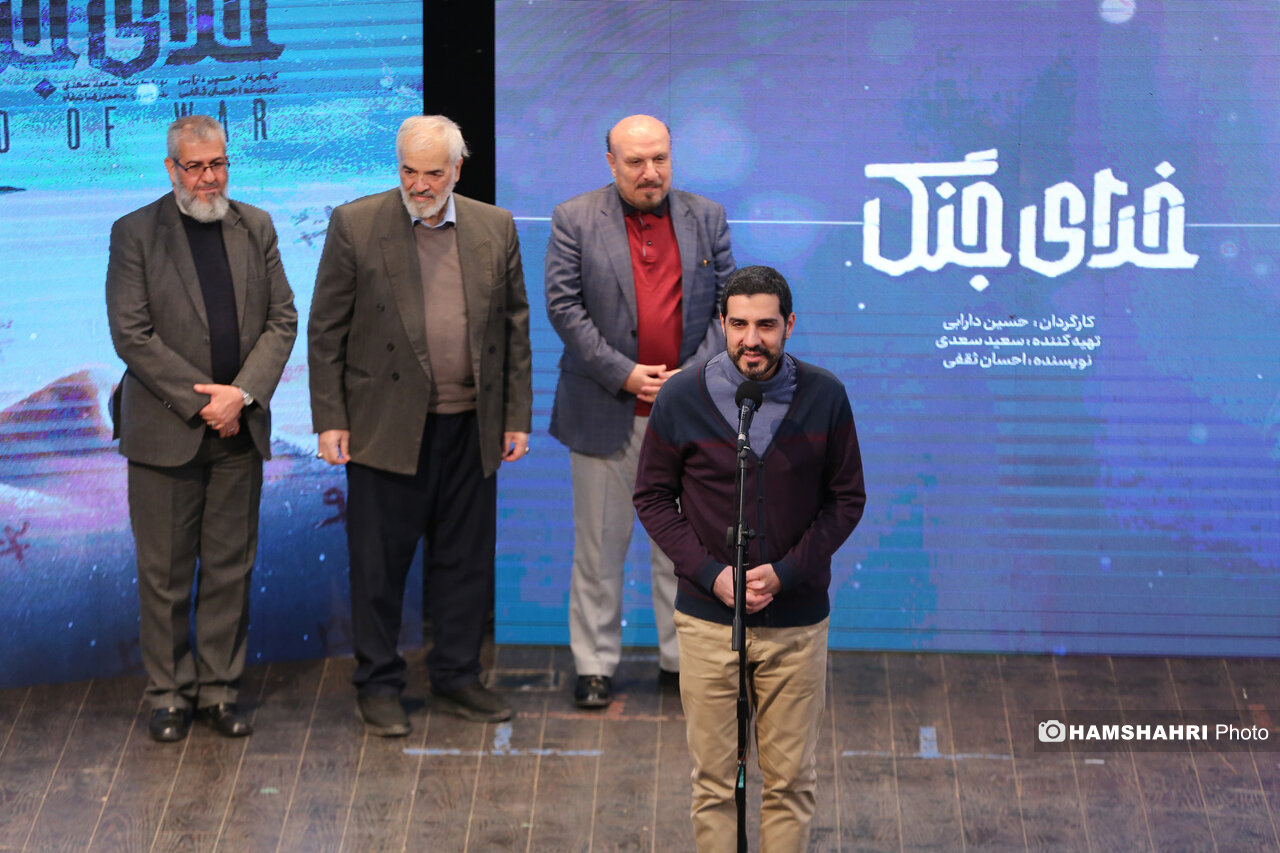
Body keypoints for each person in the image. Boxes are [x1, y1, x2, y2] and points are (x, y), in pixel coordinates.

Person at [308, 115, 532, 736]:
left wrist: (515, 416)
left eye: (433, 173)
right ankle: (379, 682)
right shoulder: (356, 223)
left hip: (472, 427)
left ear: (457, 170)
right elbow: (325, 329)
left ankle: (457, 675)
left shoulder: (495, 226)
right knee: (379, 567)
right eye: (409, 171)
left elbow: (514, 328)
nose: (420, 184)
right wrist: (330, 418)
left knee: (465, 562)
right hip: (384, 426)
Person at [633, 265, 866, 851]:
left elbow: (846, 500)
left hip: (796, 625)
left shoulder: (826, 397)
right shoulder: (681, 397)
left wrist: (786, 574)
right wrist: (711, 575)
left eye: (765, 325)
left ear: (790, 325)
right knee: (713, 783)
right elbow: (652, 497)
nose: (751, 340)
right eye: (738, 325)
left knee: (790, 782)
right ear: (722, 324)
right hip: (707, 623)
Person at [106, 115, 298, 742]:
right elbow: (131, 334)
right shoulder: (135, 232)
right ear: (171, 169)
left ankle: (219, 691)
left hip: (239, 431)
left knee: (228, 569)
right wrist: (205, 403)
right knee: (164, 577)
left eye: (217, 164)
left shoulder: (256, 226)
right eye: (195, 167)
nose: (208, 178)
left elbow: (282, 319)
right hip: (165, 435)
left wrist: (240, 395)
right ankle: (169, 695)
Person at [545, 114, 735, 709]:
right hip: (604, 410)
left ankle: (680, 663)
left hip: (688, 417)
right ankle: (594, 665)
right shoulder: (574, 218)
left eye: (660, 159)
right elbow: (564, 307)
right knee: (599, 550)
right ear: (611, 163)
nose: (650, 172)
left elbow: (728, 309)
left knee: (682, 550)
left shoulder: (707, 216)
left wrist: (690, 378)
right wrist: (624, 373)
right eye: (635, 162)